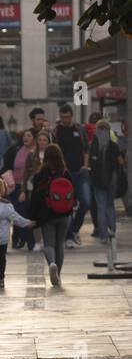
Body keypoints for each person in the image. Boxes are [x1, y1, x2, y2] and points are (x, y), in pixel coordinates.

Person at [28, 144, 74, 287]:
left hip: (47, 215)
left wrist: (33, 217)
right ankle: (58, 275)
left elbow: (35, 197)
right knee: (60, 244)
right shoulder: (65, 173)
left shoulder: (40, 175)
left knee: (49, 244)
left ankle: (52, 264)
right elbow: (73, 194)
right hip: (64, 214)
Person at [54, 104, 90, 247]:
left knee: (86, 202)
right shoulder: (56, 131)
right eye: (63, 117)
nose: (65, 120)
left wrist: (85, 165)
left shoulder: (79, 129)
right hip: (65, 174)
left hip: (80, 172)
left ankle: (74, 229)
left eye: (67, 117)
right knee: (67, 205)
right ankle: (68, 237)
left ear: (71, 116)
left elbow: (86, 148)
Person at [89, 119, 126, 243]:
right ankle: (113, 233)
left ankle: (104, 236)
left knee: (101, 207)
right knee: (110, 205)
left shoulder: (93, 146)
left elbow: (89, 164)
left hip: (97, 179)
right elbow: (121, 161)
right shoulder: (113, 144)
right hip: (112, 178)